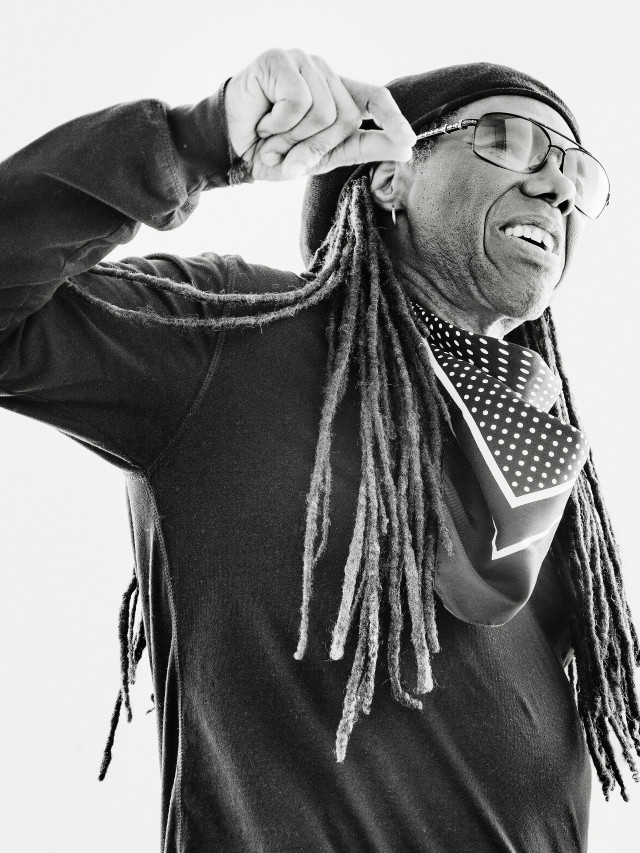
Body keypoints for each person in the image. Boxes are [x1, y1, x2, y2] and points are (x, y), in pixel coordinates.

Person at [1, 47, 638, 852]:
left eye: (577, 173)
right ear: (391, 176)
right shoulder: (241, 336)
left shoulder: (543, 481)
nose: (556, 187)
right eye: (511, 140)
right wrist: (195, 142)